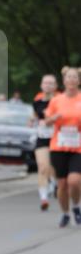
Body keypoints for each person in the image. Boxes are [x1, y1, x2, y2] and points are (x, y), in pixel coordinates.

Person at [45, 66, 81, 228]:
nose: (71, 80)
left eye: (75, 77)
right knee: (62, 184)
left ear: (79, 81)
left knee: (74, 181)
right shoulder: (56, 100)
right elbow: (46, 121)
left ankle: (76, 206)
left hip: (78, 147)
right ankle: (65, 213)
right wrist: (53, 118)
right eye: (69, 77)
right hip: (59, 146)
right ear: (64, 81)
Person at [30, 74, 58, 210]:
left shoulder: (59, 101)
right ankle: (44, 198)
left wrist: (52, 121)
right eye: (45, 83)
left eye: (51, 83)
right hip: (42, 137)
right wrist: (32, 121)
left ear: (55, 86)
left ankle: (54, 182)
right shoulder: (37, 102)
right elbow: (34, 117)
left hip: (57, 138)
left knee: (54, 167)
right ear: (41, 85)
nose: (48, 85)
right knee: (42, 167)